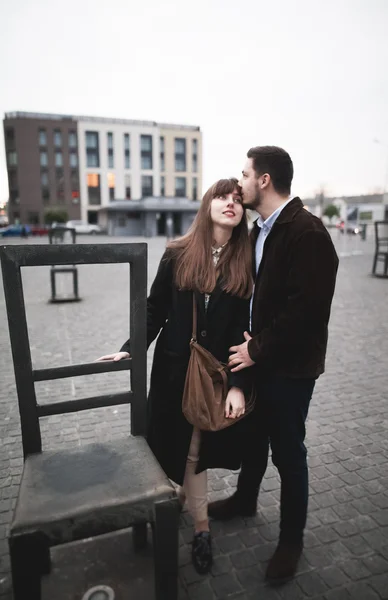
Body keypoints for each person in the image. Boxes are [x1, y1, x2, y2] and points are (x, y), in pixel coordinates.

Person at [97, 178, 253, 575]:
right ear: (207, 204)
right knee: (174, 445)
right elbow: (154, 309)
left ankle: (199, 527)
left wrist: (237, 385)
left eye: (237, 199)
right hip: (172, 371)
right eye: (222, 196)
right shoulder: (178, 253)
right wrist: (131, 347)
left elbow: (241, 330)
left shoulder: (244, 262)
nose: (230, 203)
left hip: (212, 377)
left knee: (195, 449)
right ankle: (182, 507)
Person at [208, 147, 339, 584]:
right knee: (253, 437)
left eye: (244, 174)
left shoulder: (307, 232)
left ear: (263, 180)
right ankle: (245, 500)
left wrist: (256, 351)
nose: (239, 181)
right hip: (259, 358)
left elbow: (307, 313)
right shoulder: (261, 229)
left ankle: (290, 542)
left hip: (290, 367)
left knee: (288, 451)